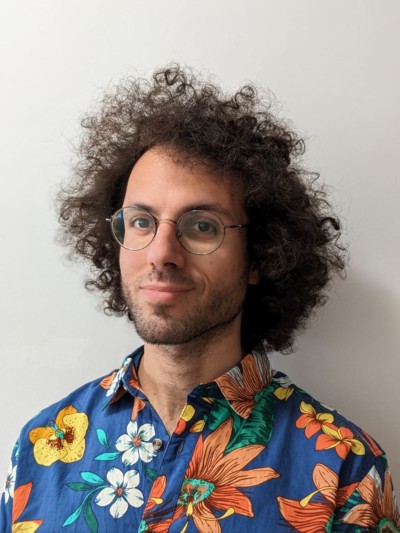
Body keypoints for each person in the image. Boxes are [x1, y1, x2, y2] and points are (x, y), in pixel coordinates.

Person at [1, 65, 398, 533]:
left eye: (202, 225)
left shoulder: (344, 471)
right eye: (142, 221)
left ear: (259, 257)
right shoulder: (41, 447)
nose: (162, 254)